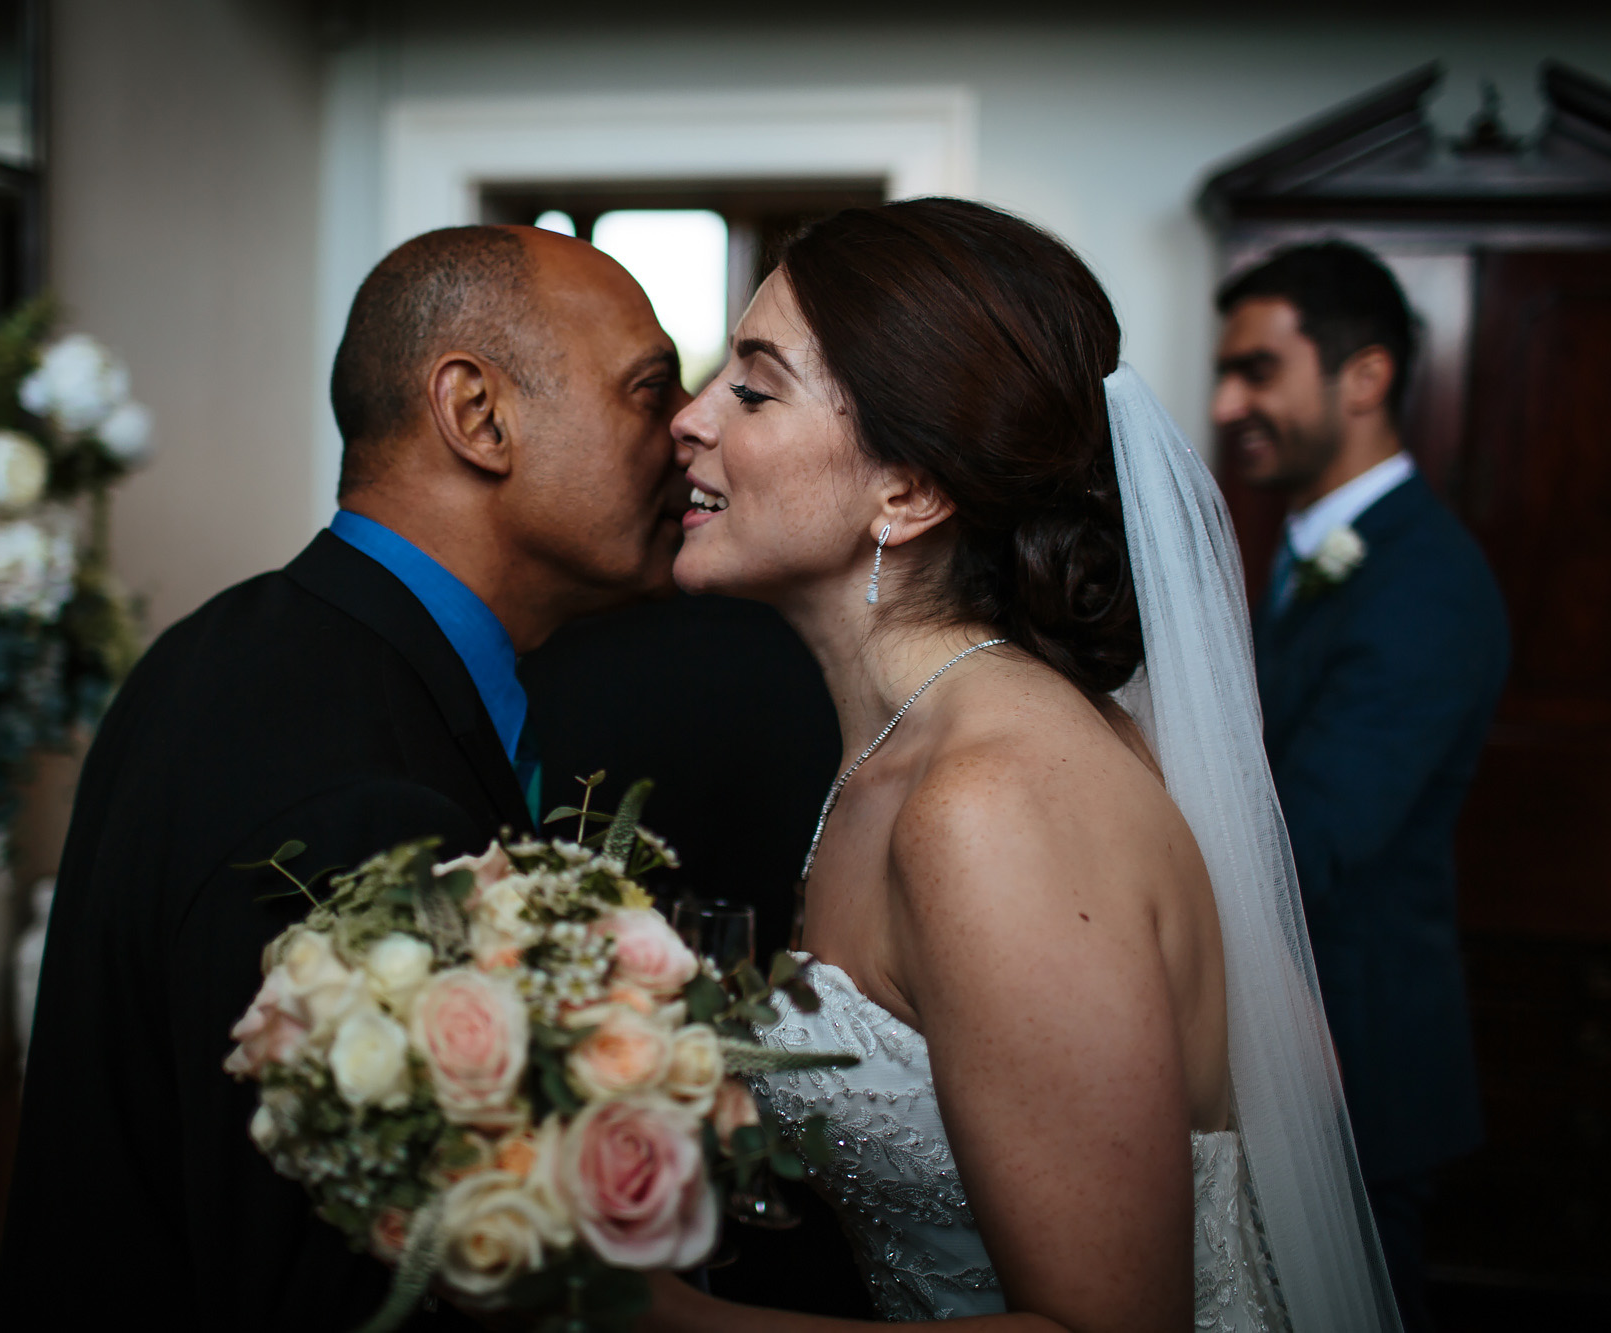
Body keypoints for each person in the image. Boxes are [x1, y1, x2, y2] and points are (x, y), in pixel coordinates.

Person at [645, 199, 1400, 1333]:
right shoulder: (920, 741)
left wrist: (627, 1313)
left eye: (751, 388)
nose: (687, 421)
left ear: (907, 491)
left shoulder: (987, 802)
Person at [0, 224, 690, 1328]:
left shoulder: (232, 642)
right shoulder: (353, 801)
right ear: (477, 415)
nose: (691, 430)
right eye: (649, 392)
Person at [1213, 242, 1509, 1331]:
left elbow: (1312, 830)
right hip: (1282, 1039)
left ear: (1364, 377)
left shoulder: (1423, 581)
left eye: (1254, 369)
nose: (1224, 401)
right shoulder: (1301, 552)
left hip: (1354, 1055)